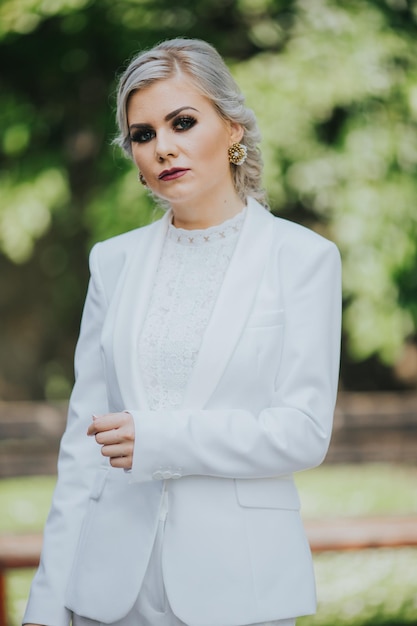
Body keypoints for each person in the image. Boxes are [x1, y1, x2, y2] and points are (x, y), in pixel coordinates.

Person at [23, 38, 342, 626]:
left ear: (232, 129)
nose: (163, 147)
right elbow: (82, 451)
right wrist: (46, 605)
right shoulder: (111, 262)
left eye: (183, 122)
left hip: (240, 592)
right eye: (143, 135)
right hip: (106, 594)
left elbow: (302, 432)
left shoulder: (304, 258)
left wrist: (162, 439)